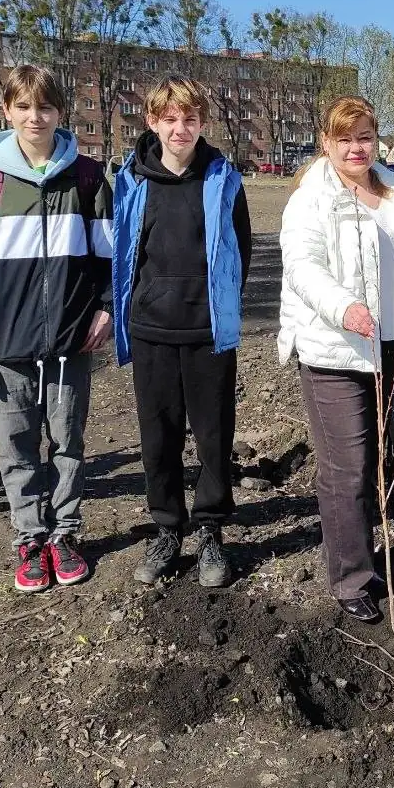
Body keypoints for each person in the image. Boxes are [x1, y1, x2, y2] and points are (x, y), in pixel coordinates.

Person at [0, 64, 113, 591]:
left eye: (47, 107)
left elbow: (109, 256)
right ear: (6, 111)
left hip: (71, 339)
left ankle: (65, 533)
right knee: (16, 443)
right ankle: (30, 537)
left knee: (68, 441)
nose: (36, 117)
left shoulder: (86, 176)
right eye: (25, 107)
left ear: (61, 112)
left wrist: (104, 308)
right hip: (4, 342)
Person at [278, 96, 394, 623]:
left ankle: (371, 545)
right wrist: (345, 308)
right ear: (325, 143)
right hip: (333, 346)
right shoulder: (311, 199)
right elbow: (303, 268)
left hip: (389, 343)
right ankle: (351, 576)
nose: (357, 148)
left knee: (382, 450)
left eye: (364, 136)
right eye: (345, 139)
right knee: (347, 465)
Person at [113, 76, 251, 588]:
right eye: (169, 118)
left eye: (189, 118)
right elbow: (126, 253)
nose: (179, 128)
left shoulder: (222, 179)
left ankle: (211, 530)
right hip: (151, 329)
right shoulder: (131, 181)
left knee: (214, 437)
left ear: (202, 123)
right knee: (159, 438)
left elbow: (240, 251)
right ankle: (168, 528)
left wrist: (224, 310)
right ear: (152, 122)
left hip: (206, 332)